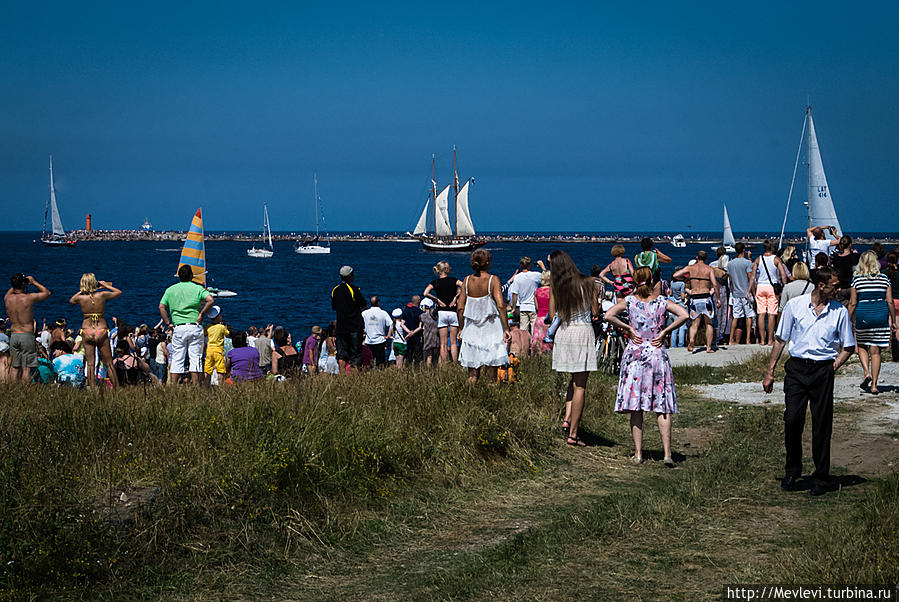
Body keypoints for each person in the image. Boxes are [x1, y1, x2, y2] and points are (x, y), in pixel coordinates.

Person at [763, 266, 855, 496]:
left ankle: (821, 477)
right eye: (835, 285)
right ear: (821, 286)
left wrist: (832, 366)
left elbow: (849, 346)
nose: (839, 289)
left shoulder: (839, 312)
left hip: (822, 369)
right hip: (797, 369)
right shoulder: (796, 306)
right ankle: (793, 469)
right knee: (793, 419)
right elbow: (780, 339)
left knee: (822, 424)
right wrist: (770, 372)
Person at [605, 266, 689, 465]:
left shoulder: (630, 301)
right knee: (662, 405)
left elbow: (608, 315)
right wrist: (664, 332)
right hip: (657, 352)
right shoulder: (661, 301)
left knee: (636, 406)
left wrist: (628, 328)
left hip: (636, 353)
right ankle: (667, 454)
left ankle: (638, 453)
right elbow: (684, 314)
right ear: (652, 280)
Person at [547, 250, 599, 447]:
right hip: (582, 332)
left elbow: (553, 315)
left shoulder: (557, 286)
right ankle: (574, 433)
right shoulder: (588, 282)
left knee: (573, 379)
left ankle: (567, 419)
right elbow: (595, 311)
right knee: (581, 385)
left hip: (565, 332)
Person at [457, 249, 511, 383]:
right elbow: (500, 305)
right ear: (487, 263)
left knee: (472, 372)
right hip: (491, 328)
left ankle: (470, 398)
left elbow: (460, 307)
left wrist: (461, 327)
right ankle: (490, 398)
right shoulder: (493, 280)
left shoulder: (467, 280)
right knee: (491, 371)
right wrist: (506, 328)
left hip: (471, 329)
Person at [159, 264, 215, 384]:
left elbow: (162, 306)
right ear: (191, 276)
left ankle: (173, 388)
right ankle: (196, 389)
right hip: (195, 325)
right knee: (195, 359)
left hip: (179, 327)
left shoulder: (170, 290)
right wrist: (201, 314)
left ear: (179, 276)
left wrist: (168, 323)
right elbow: (210, 300)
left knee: (177, 359)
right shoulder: (198, 288)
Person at [848, 251, 894, 394]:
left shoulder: (857, 280)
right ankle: (874, 385)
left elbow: (853, 302)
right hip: (880, 314)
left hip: (864, 314)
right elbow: (890, 301)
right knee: (876, 351)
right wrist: (893, 320)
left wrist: (847, 318)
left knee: (862, 345)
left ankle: (866, 372)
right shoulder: (884, 279)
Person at [67, 273, 121, 388]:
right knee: (109, 363)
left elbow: (71, 301)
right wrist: (105, 285)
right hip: (101, 329)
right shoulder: (102, 295)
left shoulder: (81, 298)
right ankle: (116, 388)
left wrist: (82, 290)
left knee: (90, 364)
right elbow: (118, 292)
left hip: (87, 330)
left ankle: (92, 389)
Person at [4, 273, 51, 383]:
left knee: (15, 367)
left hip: (14, 335)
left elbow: (11, 290)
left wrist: (17, 283)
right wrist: (33, 282)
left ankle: (13, 391)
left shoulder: (7, 298)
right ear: (23, 285)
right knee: (26, 368)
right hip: (26, 335)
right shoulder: (28, 298)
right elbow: (47, 293)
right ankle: (25, 391)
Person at [672, 251, 719, 353]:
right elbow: (715, 284)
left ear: (697, 257)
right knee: (709, 323)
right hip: (706, 297)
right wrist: (718, 298)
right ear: (706, 258)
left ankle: (692, 339)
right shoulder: (709, 269)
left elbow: (675, 275)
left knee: (694, 323)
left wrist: (686, 279)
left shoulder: (690, 268)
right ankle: (708, 347)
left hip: (694, 298)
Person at [749, 240, 789, 346]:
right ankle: (770, 340)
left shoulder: (758, 259)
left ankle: (762, 340)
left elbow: (752, 277)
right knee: (772, 314)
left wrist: (748, 290)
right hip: (772, 287)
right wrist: (784, 287)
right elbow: (783, 275)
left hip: (760, 287)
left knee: (761, 314)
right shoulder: (776, 259)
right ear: (772, 248)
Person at [423, 261, 462, 363]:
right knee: (453, 342)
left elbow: (425, 293)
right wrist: (455, 297)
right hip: (453, 312)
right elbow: (465, 287)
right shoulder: (454, 280)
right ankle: (455, 363)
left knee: (443, 343)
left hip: (442, 312)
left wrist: (437, 300)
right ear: (445, 270)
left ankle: (445, 365)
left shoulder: (435, 282)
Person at [331, 265, 367, 374]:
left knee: (341, 355)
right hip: (354, 326)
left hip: (341, 327)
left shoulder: (335, 290)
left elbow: (334, 307)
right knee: (355, 354)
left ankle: (342, 376)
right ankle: (353, 377)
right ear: (350, 276)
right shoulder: (353, 290)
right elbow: (364, 305)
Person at [509, 256, 547, 336]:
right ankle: (534, 346)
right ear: (529, 265)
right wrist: (542, 266)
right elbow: (547, 278)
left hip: (523, 307)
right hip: (533, 307)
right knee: (534, 331)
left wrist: (513, 308)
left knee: (523, 331)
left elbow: (514, 294)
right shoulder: (535, 275)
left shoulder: (517, 277)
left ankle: (524, 346)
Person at [726, 243, 755, 345]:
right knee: (749, 316)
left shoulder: (730, 264)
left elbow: (730, 280)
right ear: (744, 250)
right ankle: (747, 340)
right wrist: (753, 292)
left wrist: (733, 291)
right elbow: (750, 277)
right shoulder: (747, 263)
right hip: (746, 293)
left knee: (736, 317)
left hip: (736, 293)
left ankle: (730, 340)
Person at [362, 296, 393, 367]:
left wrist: (363, 332)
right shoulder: (383, 313)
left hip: (368, 341)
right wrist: (388, 335)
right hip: (380, 341)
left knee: (369, 361)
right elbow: (391, 324)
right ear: (378, 303)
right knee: (380, 362)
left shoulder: (365, 313)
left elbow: (359, 323)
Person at [830, 235, 860, 306]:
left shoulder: (836, 259)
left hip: (841, 287)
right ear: (850, 245)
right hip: (852, 286)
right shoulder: (856, 257)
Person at [203, 306, 228, 385]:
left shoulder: (208, 327)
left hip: (209, 350)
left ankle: (206, 387)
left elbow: (204, 334)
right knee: (220, 371)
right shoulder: (221, 327)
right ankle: (221, 387)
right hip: (218, 350)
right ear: (218, 316)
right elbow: (228, 334)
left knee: (208, 370)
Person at [530, 270, 552, 354]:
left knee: (537, 343)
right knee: (549, 344)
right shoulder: (552, 291)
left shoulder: (537, 291)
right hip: (549, 319)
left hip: (539, 319)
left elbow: (537, 307)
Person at [401, 295, 424, 364]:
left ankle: (408, 370)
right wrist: (413, 333)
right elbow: (420, 327)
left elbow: (402, 324)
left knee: (408, 356)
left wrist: (409, 332)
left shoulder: (406, 311)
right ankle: (416, 371)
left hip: (408, 337)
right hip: (417, 336)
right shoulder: (420, 312)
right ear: (419, 302)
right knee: (417, 356)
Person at [419, 298, 439, 366]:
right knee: (438, 354)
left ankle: (428, 370)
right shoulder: (435, 314)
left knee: (429, 355)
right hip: (435, 336)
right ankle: (439, 368)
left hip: (427, 337)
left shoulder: (422, 316)